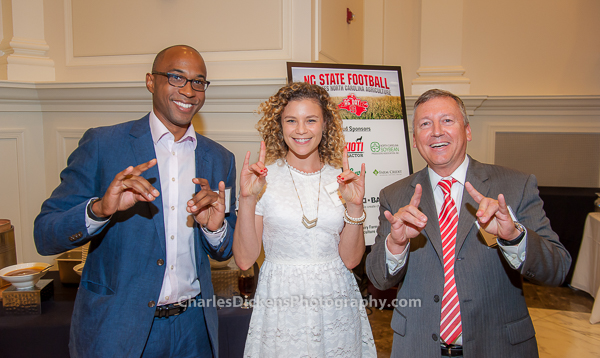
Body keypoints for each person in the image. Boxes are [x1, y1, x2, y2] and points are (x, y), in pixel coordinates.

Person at [34, 45, 236, 358]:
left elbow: (224, 250)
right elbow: (45, 234)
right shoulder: (104, 144)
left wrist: (216, 229)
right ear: (150, 81)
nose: (189, 90)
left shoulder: (220, 159)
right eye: (176, 77)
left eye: (199, 81)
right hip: (118, 330)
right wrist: (100, 210)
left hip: (193, 332)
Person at [366, 89, 571, 357]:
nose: (436, 131)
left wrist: (513, 237)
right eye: (425, 124)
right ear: (415, 140)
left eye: (447, 121)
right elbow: (379, 280)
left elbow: (557, 268)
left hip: (498, 347)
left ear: (468, 131)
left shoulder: (514, 185)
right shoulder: (394, 196)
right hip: (418, 347)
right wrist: (396, 244)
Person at [233, 82, 376, 357]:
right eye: (291, 120)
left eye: (311, 120)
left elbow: (351, 260)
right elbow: (244, 259)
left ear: (325, 125)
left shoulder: (341, 179)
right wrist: (248, 199)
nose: (300, 130)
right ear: (280, 126)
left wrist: (355, 206)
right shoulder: (263, 178)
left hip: (336, 299)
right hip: (281, 300)